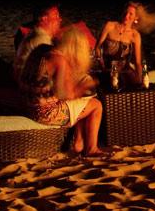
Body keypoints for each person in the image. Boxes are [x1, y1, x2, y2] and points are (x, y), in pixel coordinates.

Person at [20, 25, 105, 156]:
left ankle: (79, 142)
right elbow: (67, 95)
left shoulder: (41, 49)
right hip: (44, 113)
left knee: (83, 102)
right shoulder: (59, 60)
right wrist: (87, 85)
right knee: (96, 105)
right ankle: (91, 148)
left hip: (27, 105)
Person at [95, 1, 155, 88]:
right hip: (107, 69)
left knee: (134, 84)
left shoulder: (135, 35)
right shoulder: (110, 26)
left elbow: (138, 62)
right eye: (126, 12)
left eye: (130, 14)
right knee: (109, 84)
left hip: (124, 70)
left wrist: (140, 79)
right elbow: (97, 48)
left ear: (136, 17)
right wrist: (101, 64)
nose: (126, 16)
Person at [13, 2, 62, 81]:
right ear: (44, 19)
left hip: (24, 78)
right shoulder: (41, 40)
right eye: (56, 15)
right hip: (27, 84)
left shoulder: (36, 33)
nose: (60, 19)